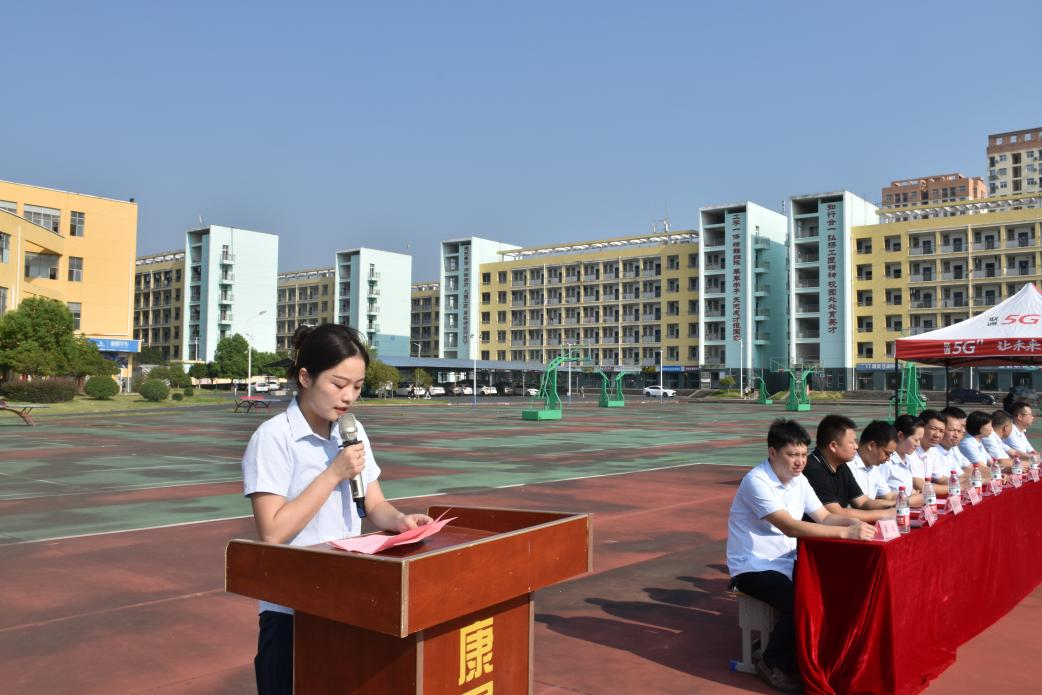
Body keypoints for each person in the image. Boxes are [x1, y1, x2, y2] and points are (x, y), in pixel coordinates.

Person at [242, 324, 433, 695]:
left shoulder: (352, 430)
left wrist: (401, 521)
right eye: (338, 384)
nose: (349, 397)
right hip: (292, 611)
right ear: (305, 377)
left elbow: (374, 504)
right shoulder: (273, 438)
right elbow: (273, 532)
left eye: (358, 387)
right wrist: (333, 473)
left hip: (346, 599)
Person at [727, 419, 874, 694]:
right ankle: (771, 663)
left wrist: (858, 526)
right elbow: (790, 526)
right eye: (792, 455)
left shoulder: (800, 480)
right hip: (753, 565)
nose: (799, 462)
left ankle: (811, 653)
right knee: (802, 601)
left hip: (788, 560)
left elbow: (825, 516)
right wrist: (845, 535)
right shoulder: (756, 481)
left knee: (831, 590)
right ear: (772, 452)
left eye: (804, 455)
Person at [802, 414, 897, 522]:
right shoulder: (813, 469)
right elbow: (836, 512)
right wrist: (884, 514)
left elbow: (863, 502)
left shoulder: (842, 466)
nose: (856, 447)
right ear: (833, 446)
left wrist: (895, 505)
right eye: (851, 442)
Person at [845, 420, 899, 502]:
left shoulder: (873, 468)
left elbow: (889, 496)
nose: (888, 459)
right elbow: (863, 504)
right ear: (871, 445)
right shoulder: (848, 467)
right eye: (887, 453)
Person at [877, 414, 927, 495]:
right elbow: (879, 494)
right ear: (900, 435)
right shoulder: (886, 462)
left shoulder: (908, 458)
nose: (918, 444)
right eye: (916, 440)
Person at [958, 410, 1000, 482]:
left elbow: (992, 462)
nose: (992, 429)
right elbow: (981, 466)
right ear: (980, 427)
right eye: (989, 426)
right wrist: (998, 473)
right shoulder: (967, 443)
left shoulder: (978, 442)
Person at [916, 409, 951, 493]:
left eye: (941, 431)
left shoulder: (932, 451)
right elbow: (921, 485)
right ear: (921, 428)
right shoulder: (911, 451)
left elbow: (941, 479)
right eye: (933, 428)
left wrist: (963, 484)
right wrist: (957, 488)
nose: (937, 435)